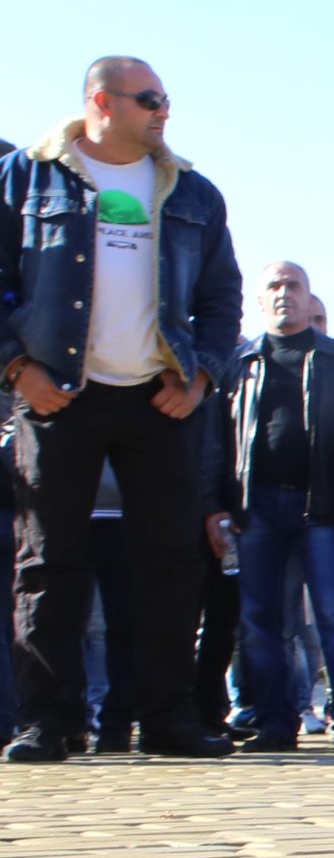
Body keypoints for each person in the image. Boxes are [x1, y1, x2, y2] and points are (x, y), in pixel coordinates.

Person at [1, 56, 240, 762]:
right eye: (151, 100)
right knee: (49, 563)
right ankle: (50, 722)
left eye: (166, 100)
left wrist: (199, 377)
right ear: (101, 101)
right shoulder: (26, 178)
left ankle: (168, 719)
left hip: (159, 399)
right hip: (58, 395)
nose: (164, 111)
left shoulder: (193, 192)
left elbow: (221, 299)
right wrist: (18, 369)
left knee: (169, 562)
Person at [221, 262, 334, 751]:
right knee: (262, 619)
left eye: (293, 285)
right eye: (274, 285)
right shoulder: (240, 361)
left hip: (326, 507)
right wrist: (215, 506)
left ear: (310, 297)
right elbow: (218, 439)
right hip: (257, 509)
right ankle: (274, 720)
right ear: (260, 300)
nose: (284, 294)